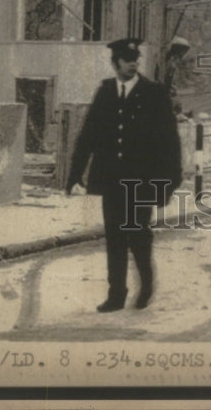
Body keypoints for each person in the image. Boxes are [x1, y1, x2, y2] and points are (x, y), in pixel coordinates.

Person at [66, 38, 182, 312]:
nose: (134, 64)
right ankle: (116, 294)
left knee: (139, 235)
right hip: (112, 181)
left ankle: (146, 285)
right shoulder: (105, 92)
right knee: (115, 237)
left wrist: (168, 182)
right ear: (115, 63)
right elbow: (88, 135)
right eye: (128, 60)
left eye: (136, 60)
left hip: (141, 182)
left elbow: (170, 142)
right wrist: (75, 172)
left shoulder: (154, 93)